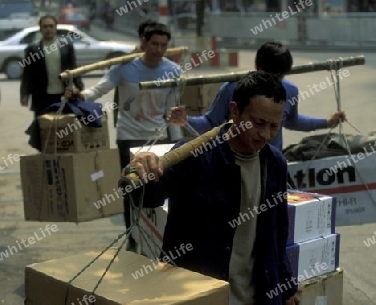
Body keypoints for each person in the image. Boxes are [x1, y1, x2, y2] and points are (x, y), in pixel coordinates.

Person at [128, 71, 300, 305]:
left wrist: (287, 288)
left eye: (274, 126)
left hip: (255, 296)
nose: (266, 134)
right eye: (259, 123)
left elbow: (278, 233)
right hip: (198, 295)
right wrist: (139, 169)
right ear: (234, 110)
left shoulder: (275, 164)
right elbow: (149, 198)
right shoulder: (195, 155)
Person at [66, 22, 183, 252]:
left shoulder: (173, 70)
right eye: (154, 44)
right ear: (144, 41)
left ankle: (158, 239)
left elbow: (172, 110)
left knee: (159, 192)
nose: (159, 50)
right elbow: (98, 89)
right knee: (131, 190)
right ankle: (133, 237)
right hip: (129, 138)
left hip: (159, 139)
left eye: (163, 45)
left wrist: (177, 144)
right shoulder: (124, 67)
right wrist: (80, 94)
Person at [167, 41, 347, 152]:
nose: (274, 82)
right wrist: (186, 121)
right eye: (270, 75)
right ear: (257, 67)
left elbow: (291, 121)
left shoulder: (289, 91)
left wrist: (327, 123)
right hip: (234, 163)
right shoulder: (232, 90)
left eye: (280, 76)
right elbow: (211, 123)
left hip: (270, 163)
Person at [20, 15, 84, 118]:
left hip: (64, 95)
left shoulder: (66, 46)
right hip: (41, 96)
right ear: (40, 29)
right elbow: (27, 74)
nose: (48, 29)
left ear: (55, 28)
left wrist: (79, 88)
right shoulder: (33, 49)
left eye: (51, 26)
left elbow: (74, 69)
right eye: (45, 27)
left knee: (64, 128)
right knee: (42, 129)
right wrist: (24, 94)